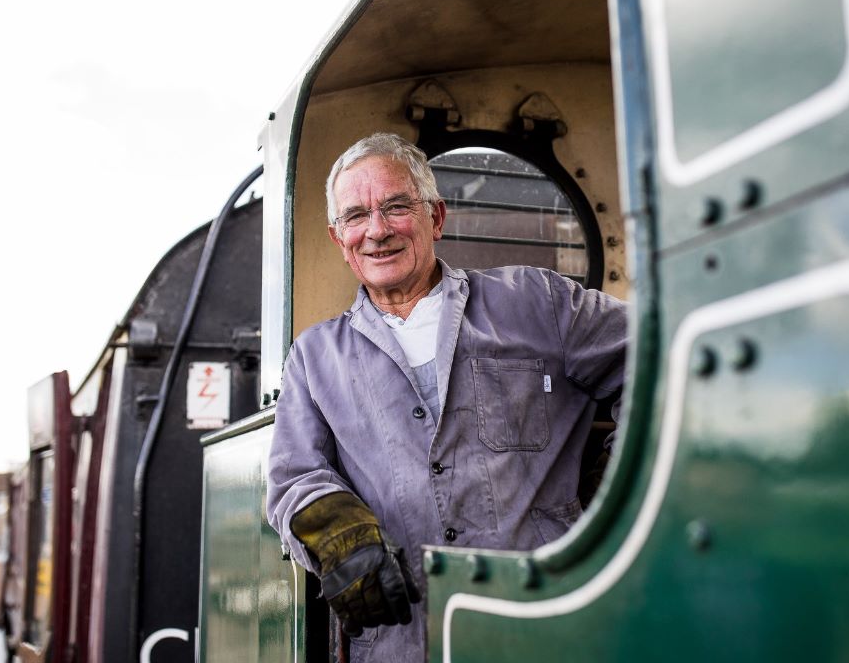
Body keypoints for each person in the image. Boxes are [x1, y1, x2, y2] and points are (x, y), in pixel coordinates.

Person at [266, 133, 627, 662]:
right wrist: (338, 533)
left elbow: (663, 358)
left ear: (436, 217)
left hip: (549, 627)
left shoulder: (538, 303)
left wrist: (621, 485)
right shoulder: (313, 357)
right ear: (338, 237)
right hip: (402, 642)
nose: (377, 230)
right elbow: (292, 478)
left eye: (395, 207)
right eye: (356, 216)